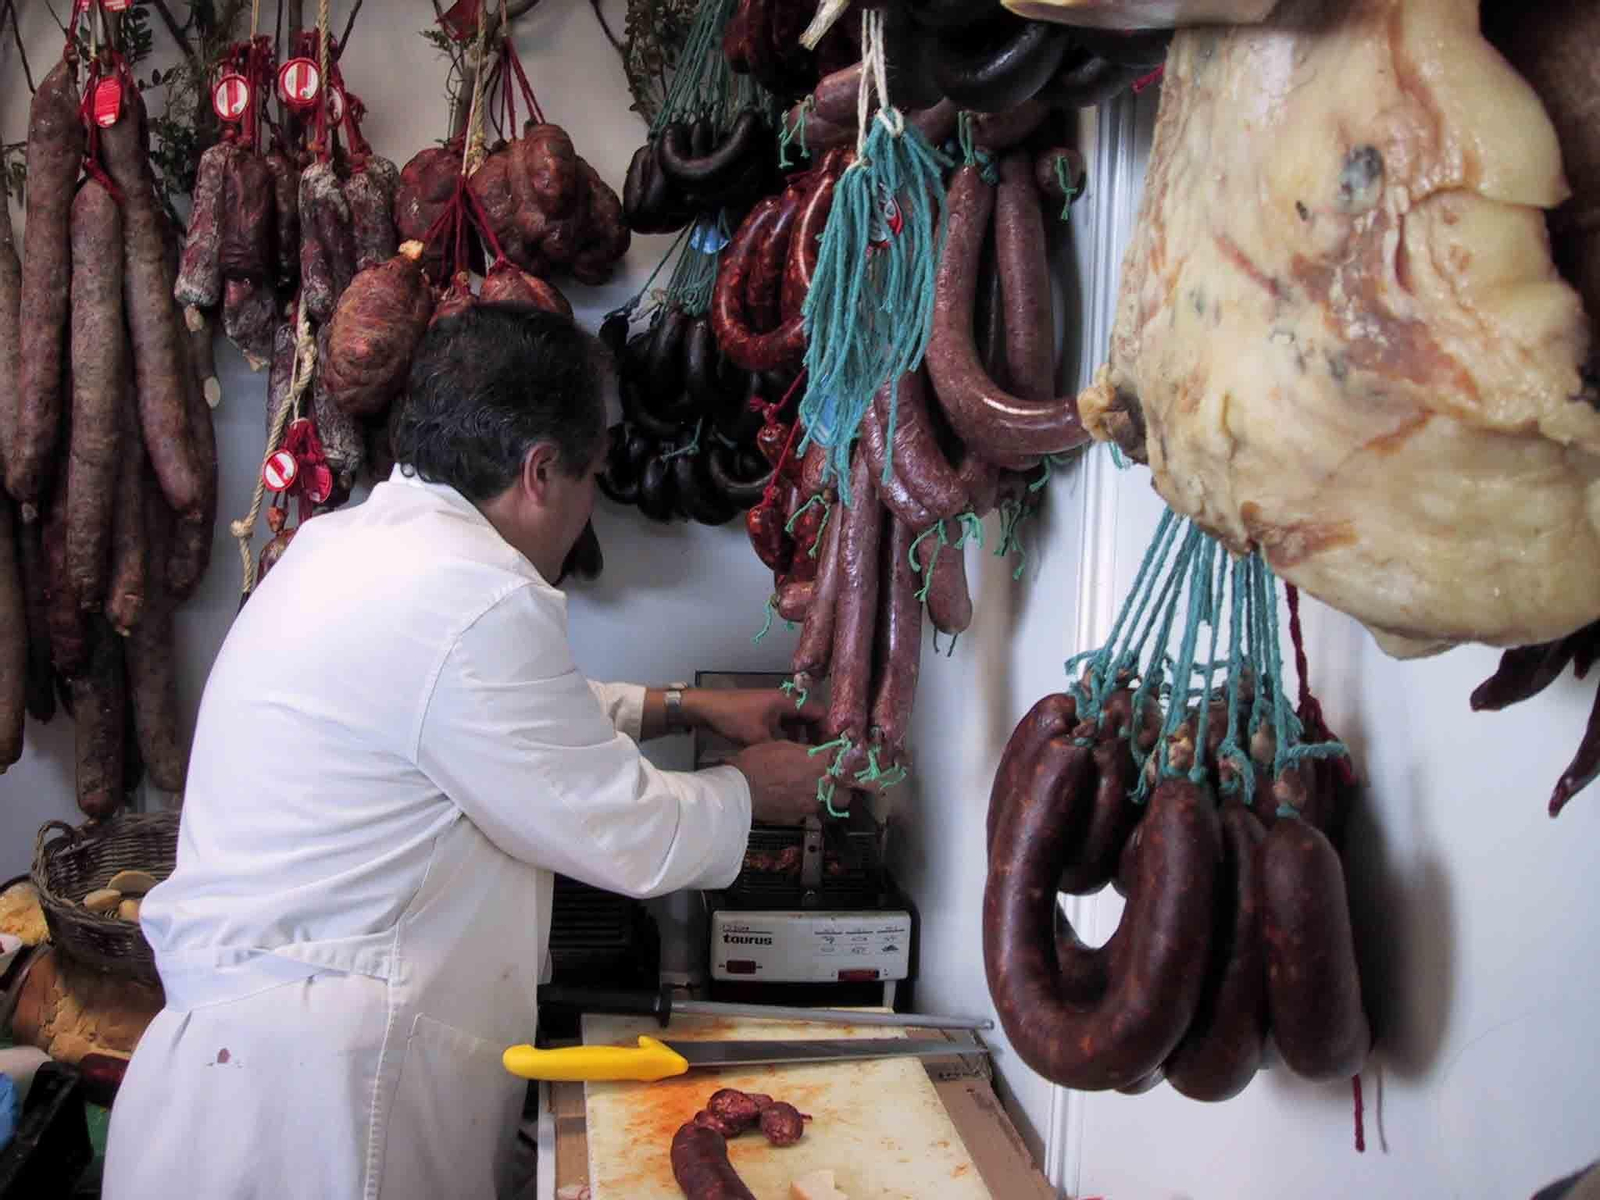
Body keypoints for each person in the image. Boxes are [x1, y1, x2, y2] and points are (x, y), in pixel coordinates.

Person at [104, 305, 837, 1199]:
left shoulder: (354, 547)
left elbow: (486, 728)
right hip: (315, 1113)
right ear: (539, 473)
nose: (582, 518)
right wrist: (753, 795)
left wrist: (688, 708)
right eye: (589, 481)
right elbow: (622, 831)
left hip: (253, 1074)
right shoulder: (472, 602)